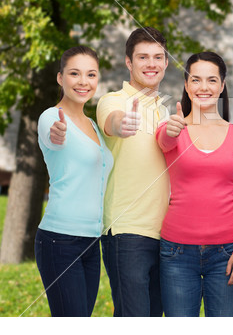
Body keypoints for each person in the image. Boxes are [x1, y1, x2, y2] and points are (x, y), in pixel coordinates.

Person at [156, 52, 233, 317]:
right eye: (196, 80)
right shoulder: (173, 128)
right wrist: (170, 130)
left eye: (212, 80)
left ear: (222, 86)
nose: (204, 87)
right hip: (176, 252)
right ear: (187, 86)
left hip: (226, 254)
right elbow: (163, 141)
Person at [96, 27, 170, 317]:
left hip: (166, 234)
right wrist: (121, 124)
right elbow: (112, 122)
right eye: (143, 57)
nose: (151, 63)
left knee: (153, 317)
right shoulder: (113, 101)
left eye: (158, 57)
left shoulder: (166, 113)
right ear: (129, 62)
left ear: (165, 63)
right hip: (127, 232)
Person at [35, 46, 113, 317]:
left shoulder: (92, 125)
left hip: (91, 241)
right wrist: (57, 135)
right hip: (60, 241)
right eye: (74, 73)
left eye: (91, 74)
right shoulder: (51, 118)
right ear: (60, 78)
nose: (83, 81)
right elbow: (52, 135)